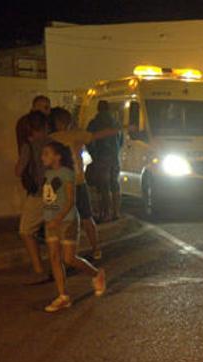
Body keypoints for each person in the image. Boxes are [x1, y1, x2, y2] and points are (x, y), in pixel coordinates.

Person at [40, 141, 107, 312]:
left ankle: (96, 274)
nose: (43, 157)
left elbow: (71, 200)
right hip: (50, 221)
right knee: (54, 257)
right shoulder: (48, 174)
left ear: (58, 156)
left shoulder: (67, 173)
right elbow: (49, 199)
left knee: (68, 258)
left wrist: (58, 218)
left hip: (67, 221)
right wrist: (47, 217)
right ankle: (63, 296)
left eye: (47, 153)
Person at [49, 107, 122, 260]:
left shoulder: (51, 138)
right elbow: (97, 135)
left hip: (58, 184)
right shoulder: (74, 135)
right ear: (64, 121)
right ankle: (95, 249)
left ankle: (62, 253)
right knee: (87, 218)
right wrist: (121, 128)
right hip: (77, 182)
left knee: (60, 218)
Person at [15, 111, 51, 284]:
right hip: (56, 193)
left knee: (26, 230)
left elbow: (18, 170)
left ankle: (39, 269)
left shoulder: (28, 146)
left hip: (38, 194)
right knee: (53, 232)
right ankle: (59, 267)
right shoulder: (54, 144)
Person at [86, 101, 123, 222]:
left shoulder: (94, 123)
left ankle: (106, 213)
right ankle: (116, 212)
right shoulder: (116, 123)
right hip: (114, 157)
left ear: (98, 109)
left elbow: (89, 140)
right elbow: (121, 140)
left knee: (104, 186)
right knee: (115, 184)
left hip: (101, 158)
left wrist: (93, 155)